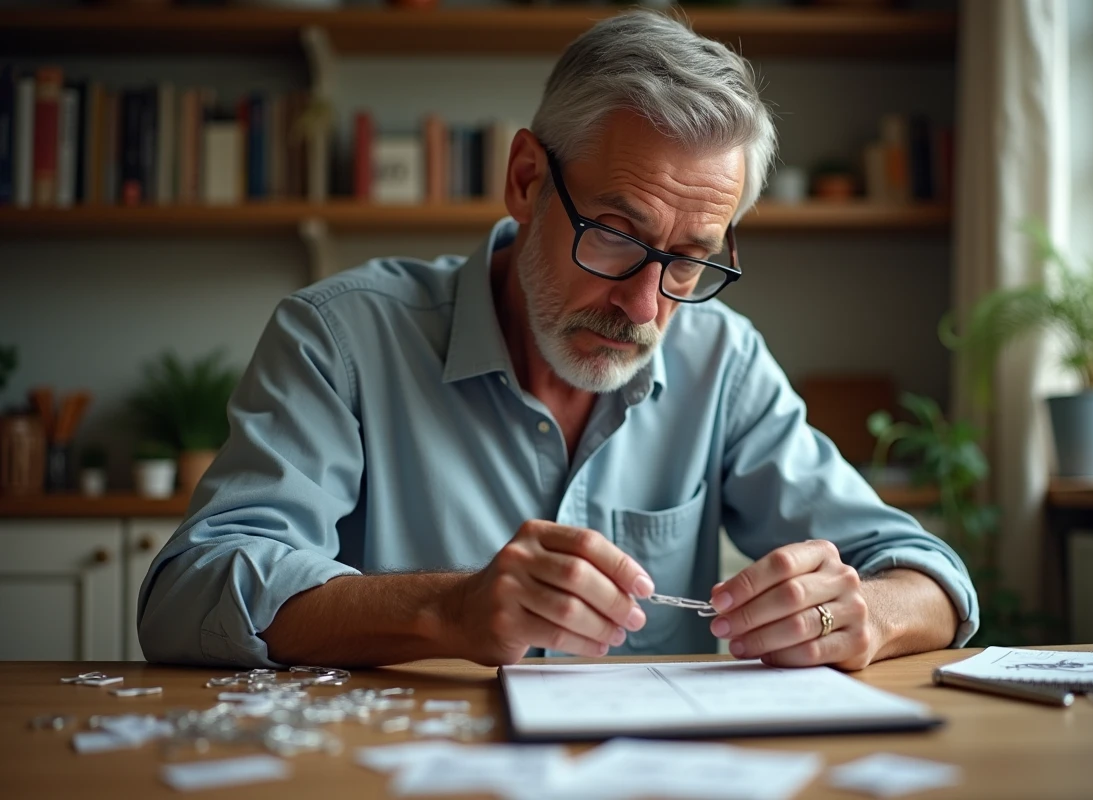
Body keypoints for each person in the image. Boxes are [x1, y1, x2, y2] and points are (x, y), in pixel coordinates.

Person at [139, 10, 978, 670]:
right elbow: (188, 594)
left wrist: (863, 614)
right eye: (615, 236)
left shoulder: (722, 361)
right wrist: (447, 611)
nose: (644, 307)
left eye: (689, 260)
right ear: (526, 180)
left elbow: (928, 574)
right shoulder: (341, 338)